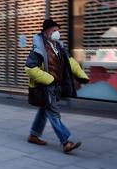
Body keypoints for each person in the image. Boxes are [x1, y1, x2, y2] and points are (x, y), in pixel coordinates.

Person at [25, 19, 90, 154]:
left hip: (55, 86)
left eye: (57, 30)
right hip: (45, 86)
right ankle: (66, 141)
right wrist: (49, 79)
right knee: (53, 113)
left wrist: (81, 74)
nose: (57, 32)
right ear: (46, 32)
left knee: (45, 110)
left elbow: (70, 62)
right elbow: (30, 68)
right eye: (54, 30)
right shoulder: (39, 49)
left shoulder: (58, 46)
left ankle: (33, 135)